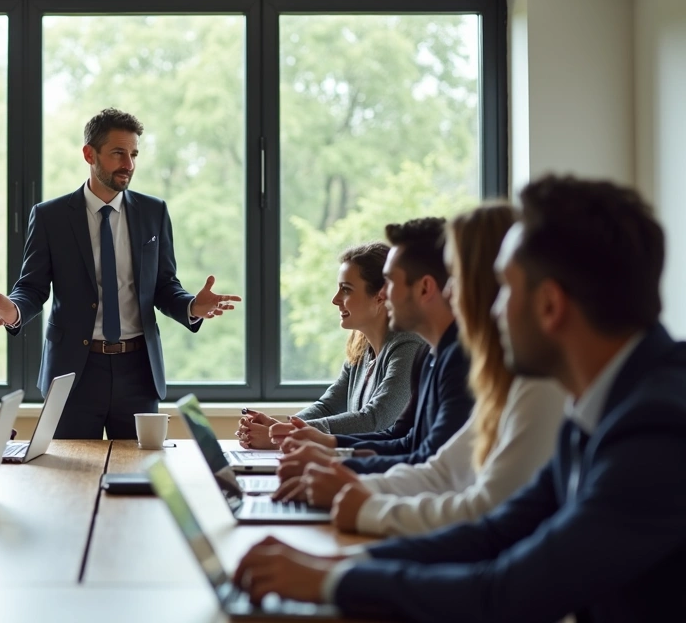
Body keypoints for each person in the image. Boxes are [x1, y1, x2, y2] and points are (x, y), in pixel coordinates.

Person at [232, 176, 686, 622]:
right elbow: (497, 532)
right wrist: (340, 567)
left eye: (505, 288)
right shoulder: (597, 402)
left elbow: (507, 590)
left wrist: (333, 582)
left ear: (549, 305)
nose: (491, 308)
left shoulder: (658, 427)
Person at [293, 203, 566, 536]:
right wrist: (337, 465)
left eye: (457, 278)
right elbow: (440, 469)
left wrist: (356, 494)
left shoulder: (523, 379)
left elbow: (480, 508)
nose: (448, 291)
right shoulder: (447, 360)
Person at [0, 108, 242, 438]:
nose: (128, 164)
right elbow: (32, 288)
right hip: (73, 372)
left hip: (138, 372)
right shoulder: (51, 217)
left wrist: (191, 307)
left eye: (133, 154)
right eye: (118, 153)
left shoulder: (153, 212)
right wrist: (13, 310)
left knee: (139, 478)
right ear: (90, 153)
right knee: (67, 478)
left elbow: (163, 285)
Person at [271, 218, 474, 482]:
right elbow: (404, 442)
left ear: (424, 288)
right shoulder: (429, 357)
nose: (384, 294)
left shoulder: (455, 359)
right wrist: (320, 442)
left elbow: (426, 460)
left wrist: (336, 467)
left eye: (389, 283)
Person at [236, 243, 424, 445]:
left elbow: (376, 419)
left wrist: (288, 435)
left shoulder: (409, 346)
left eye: (346, 290)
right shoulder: (361, 349)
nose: (335, 299)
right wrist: (278, 428)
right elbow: (327, 406)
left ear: (380, 295)